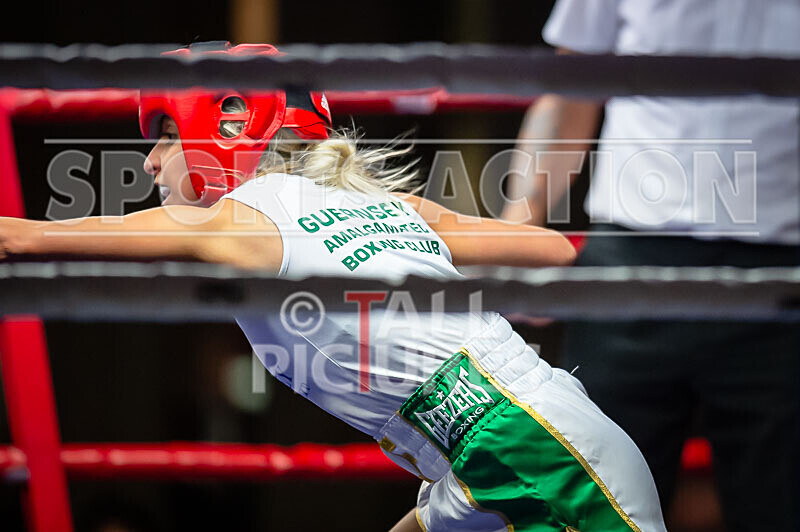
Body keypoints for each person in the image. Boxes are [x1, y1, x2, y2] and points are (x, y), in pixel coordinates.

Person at [0, 42, 666, 532]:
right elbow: (552, 250)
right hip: (491, 452)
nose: (149, 161)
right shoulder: (390, 205)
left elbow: (24, 239)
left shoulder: (239, 223)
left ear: (226, 130)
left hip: (532, 453)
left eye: (166, 136)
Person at [501, 1, 800, 530]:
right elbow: (571, 88)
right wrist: (516, 231)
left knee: (781, 509)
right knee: (593, 507)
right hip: (631, 261)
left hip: (782, 275)